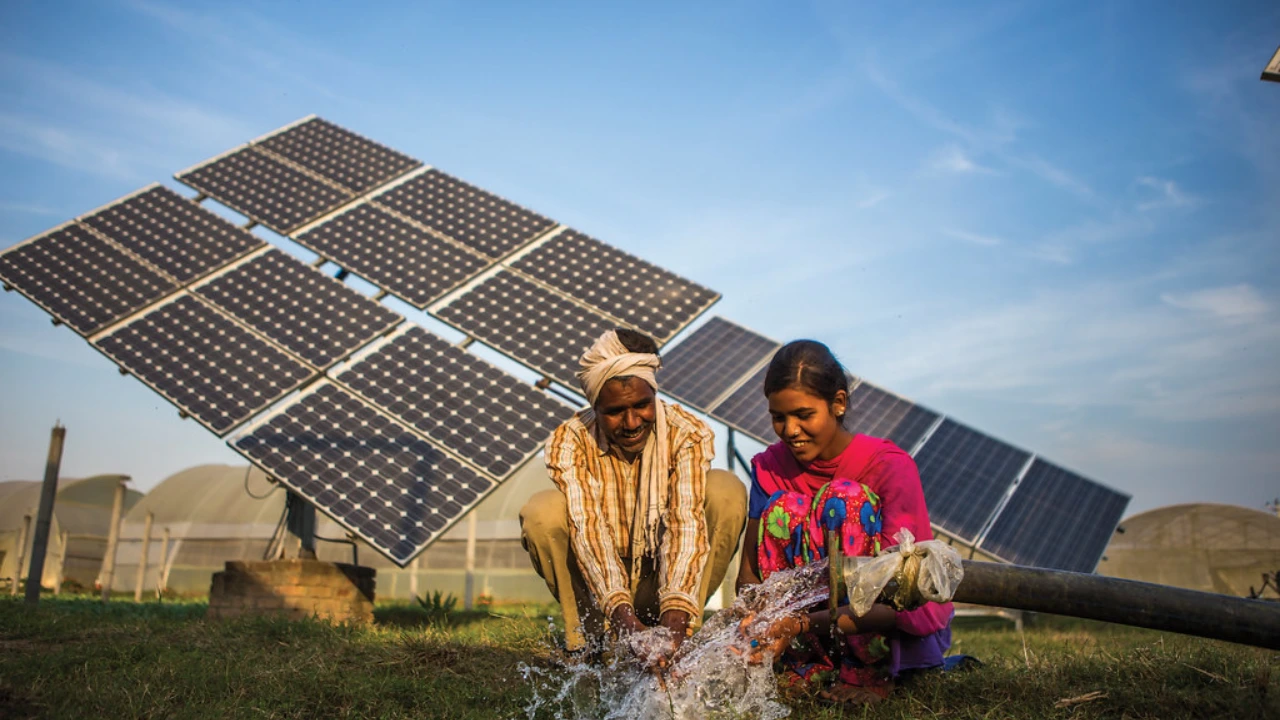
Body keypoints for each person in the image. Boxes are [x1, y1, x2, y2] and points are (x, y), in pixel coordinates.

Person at [735, 340, 953, 705]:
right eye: (778, 417)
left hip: (884, 628)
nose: (790, 430)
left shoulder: (888, 467)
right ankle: (801, 666)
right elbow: (750, 577)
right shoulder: (769, 469)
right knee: (783, 508)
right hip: (797, 634)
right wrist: (754, 621)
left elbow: (901, 596)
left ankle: (868, 672)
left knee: (845, 501)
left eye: (804, 415)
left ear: (838, 403)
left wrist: (800, 624)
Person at [520, 328, 747, 667]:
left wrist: (673, 622)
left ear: (654, 393)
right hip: (599, 583)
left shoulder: (687, 433)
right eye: (614, 411)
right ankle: (588, 645)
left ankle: (681, 639)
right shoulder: (571, 440)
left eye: (642, 405)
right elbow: (589, 531)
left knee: (726, 490)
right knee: (543, 511)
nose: (631, 422)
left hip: (663, 575)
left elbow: (686, 526)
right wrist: (625, 624)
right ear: (594, 406)